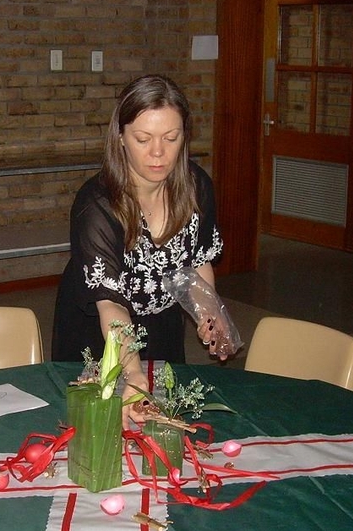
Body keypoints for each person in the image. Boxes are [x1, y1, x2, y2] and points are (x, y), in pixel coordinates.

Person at [52, 74, 224, 427]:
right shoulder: (97, 203)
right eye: (143, 139)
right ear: (121, 138)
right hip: (98, 330)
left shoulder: (196, 186)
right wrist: (130, 371)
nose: (158, 152)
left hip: (161, 323)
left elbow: (199, 260)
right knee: (99, 433)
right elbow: (110, 304)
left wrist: (209, 311)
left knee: (161, 426)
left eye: (171, 138)